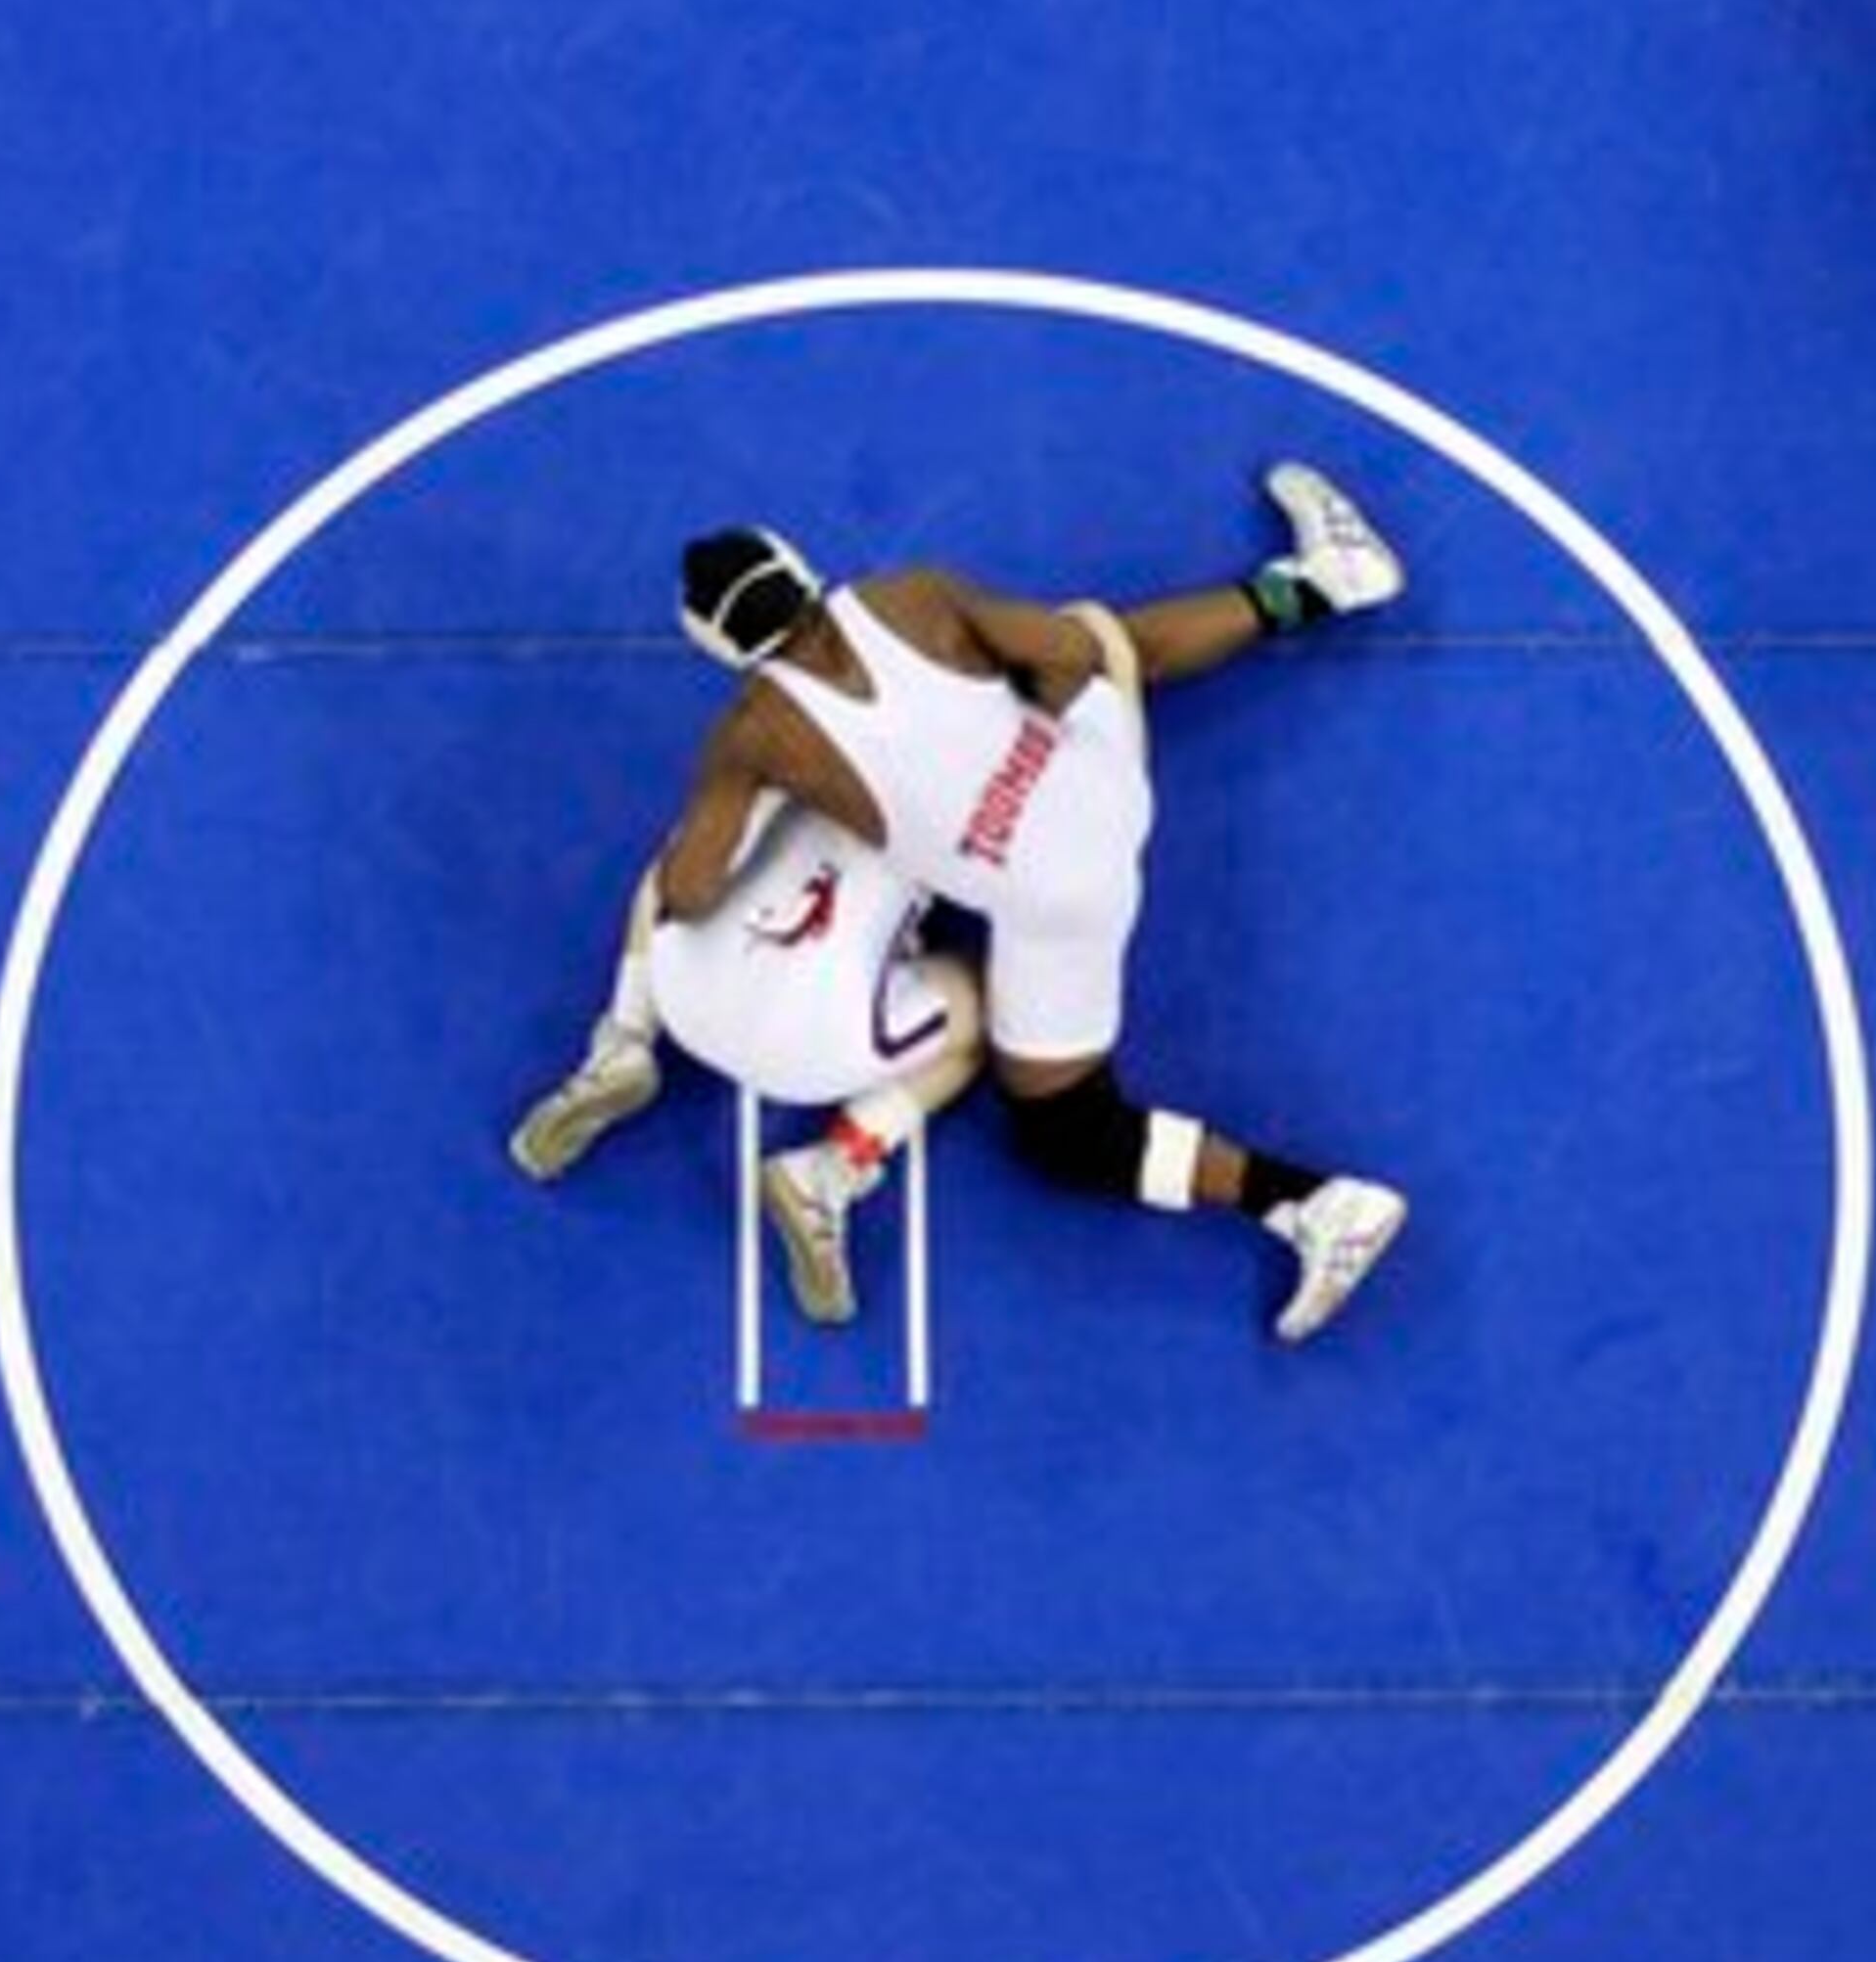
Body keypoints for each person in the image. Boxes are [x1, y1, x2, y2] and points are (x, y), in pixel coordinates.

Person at [525, 461, 1412, 1346]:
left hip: (1047, 912)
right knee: (1095, 632)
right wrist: (1011, 729)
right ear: (796, 568)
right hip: (1099, 812)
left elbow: (687, 889)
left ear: (716, 645)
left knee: (1071, 1134)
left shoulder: (754, 735)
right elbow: (1068, 656)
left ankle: (1315, 1205)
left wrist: (757, 790)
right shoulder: (910, 597)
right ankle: (1322, 582)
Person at [510, 795, 984, 1328]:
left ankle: (627, 1036)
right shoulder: (987, 800)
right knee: (978, 1006)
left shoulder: (803, 718)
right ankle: (832, 1164)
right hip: (814, 1062)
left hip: (685, 992)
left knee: (688, 848)